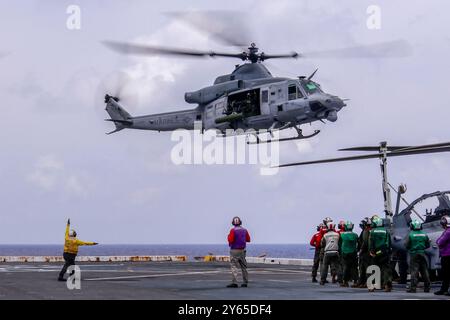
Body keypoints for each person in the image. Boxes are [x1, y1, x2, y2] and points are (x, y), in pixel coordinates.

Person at [404, 220, 431, 293]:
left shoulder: (410, 234)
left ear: (412, 226)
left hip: (414, 254)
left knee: (414, 272)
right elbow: (428, 245)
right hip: (422, 253)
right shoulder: (424, 234)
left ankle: (413, 288)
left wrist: (412, 248)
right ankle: (427, 288)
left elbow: (406, 245)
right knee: (424, 271)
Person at [368, 216, 393, 292]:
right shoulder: (386, 231)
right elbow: (389, 243)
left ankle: (371, 286)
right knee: (386, 269)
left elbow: (371, 243)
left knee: (374, 268)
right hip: (384, 252)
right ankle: (387, 285)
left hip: (375, 252)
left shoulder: (372, 231)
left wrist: (371, 252)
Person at [227, 216, 251, 288]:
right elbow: (248, 239)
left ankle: (234, 282)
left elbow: (230, 240)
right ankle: (245, 282)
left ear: (233, 223)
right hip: (242, 250)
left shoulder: (233, 230)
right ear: (240, 222)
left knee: (234, 266)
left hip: (234, 250)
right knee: (244, 266)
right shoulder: (244, 230)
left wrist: (228, 236)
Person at [339, 221, 359, 287]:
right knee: (354, 268)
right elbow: (358, 244)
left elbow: (339, 244)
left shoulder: (342, 235)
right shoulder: (355, 235)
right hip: (353, 253)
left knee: (346, 267)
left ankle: (345, 281)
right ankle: (356, 281)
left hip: (345, 253)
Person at [435, 216, 450, 296]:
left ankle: (444, 290)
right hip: (446, 255)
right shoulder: (447, 231)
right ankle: (444, 290)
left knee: (446, 274)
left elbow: (439, 242)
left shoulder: (447, 232)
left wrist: (438, 242)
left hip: (447, 255)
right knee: (446, 274)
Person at [356, 217, 372, 288]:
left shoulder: (366, 231)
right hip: (367, 252)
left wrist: (361, 250)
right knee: (362, 268)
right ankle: (361, 282)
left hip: (365, 253)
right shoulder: (368, 230)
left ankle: (366, 282)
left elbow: (364, 242)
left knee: (365, 268)